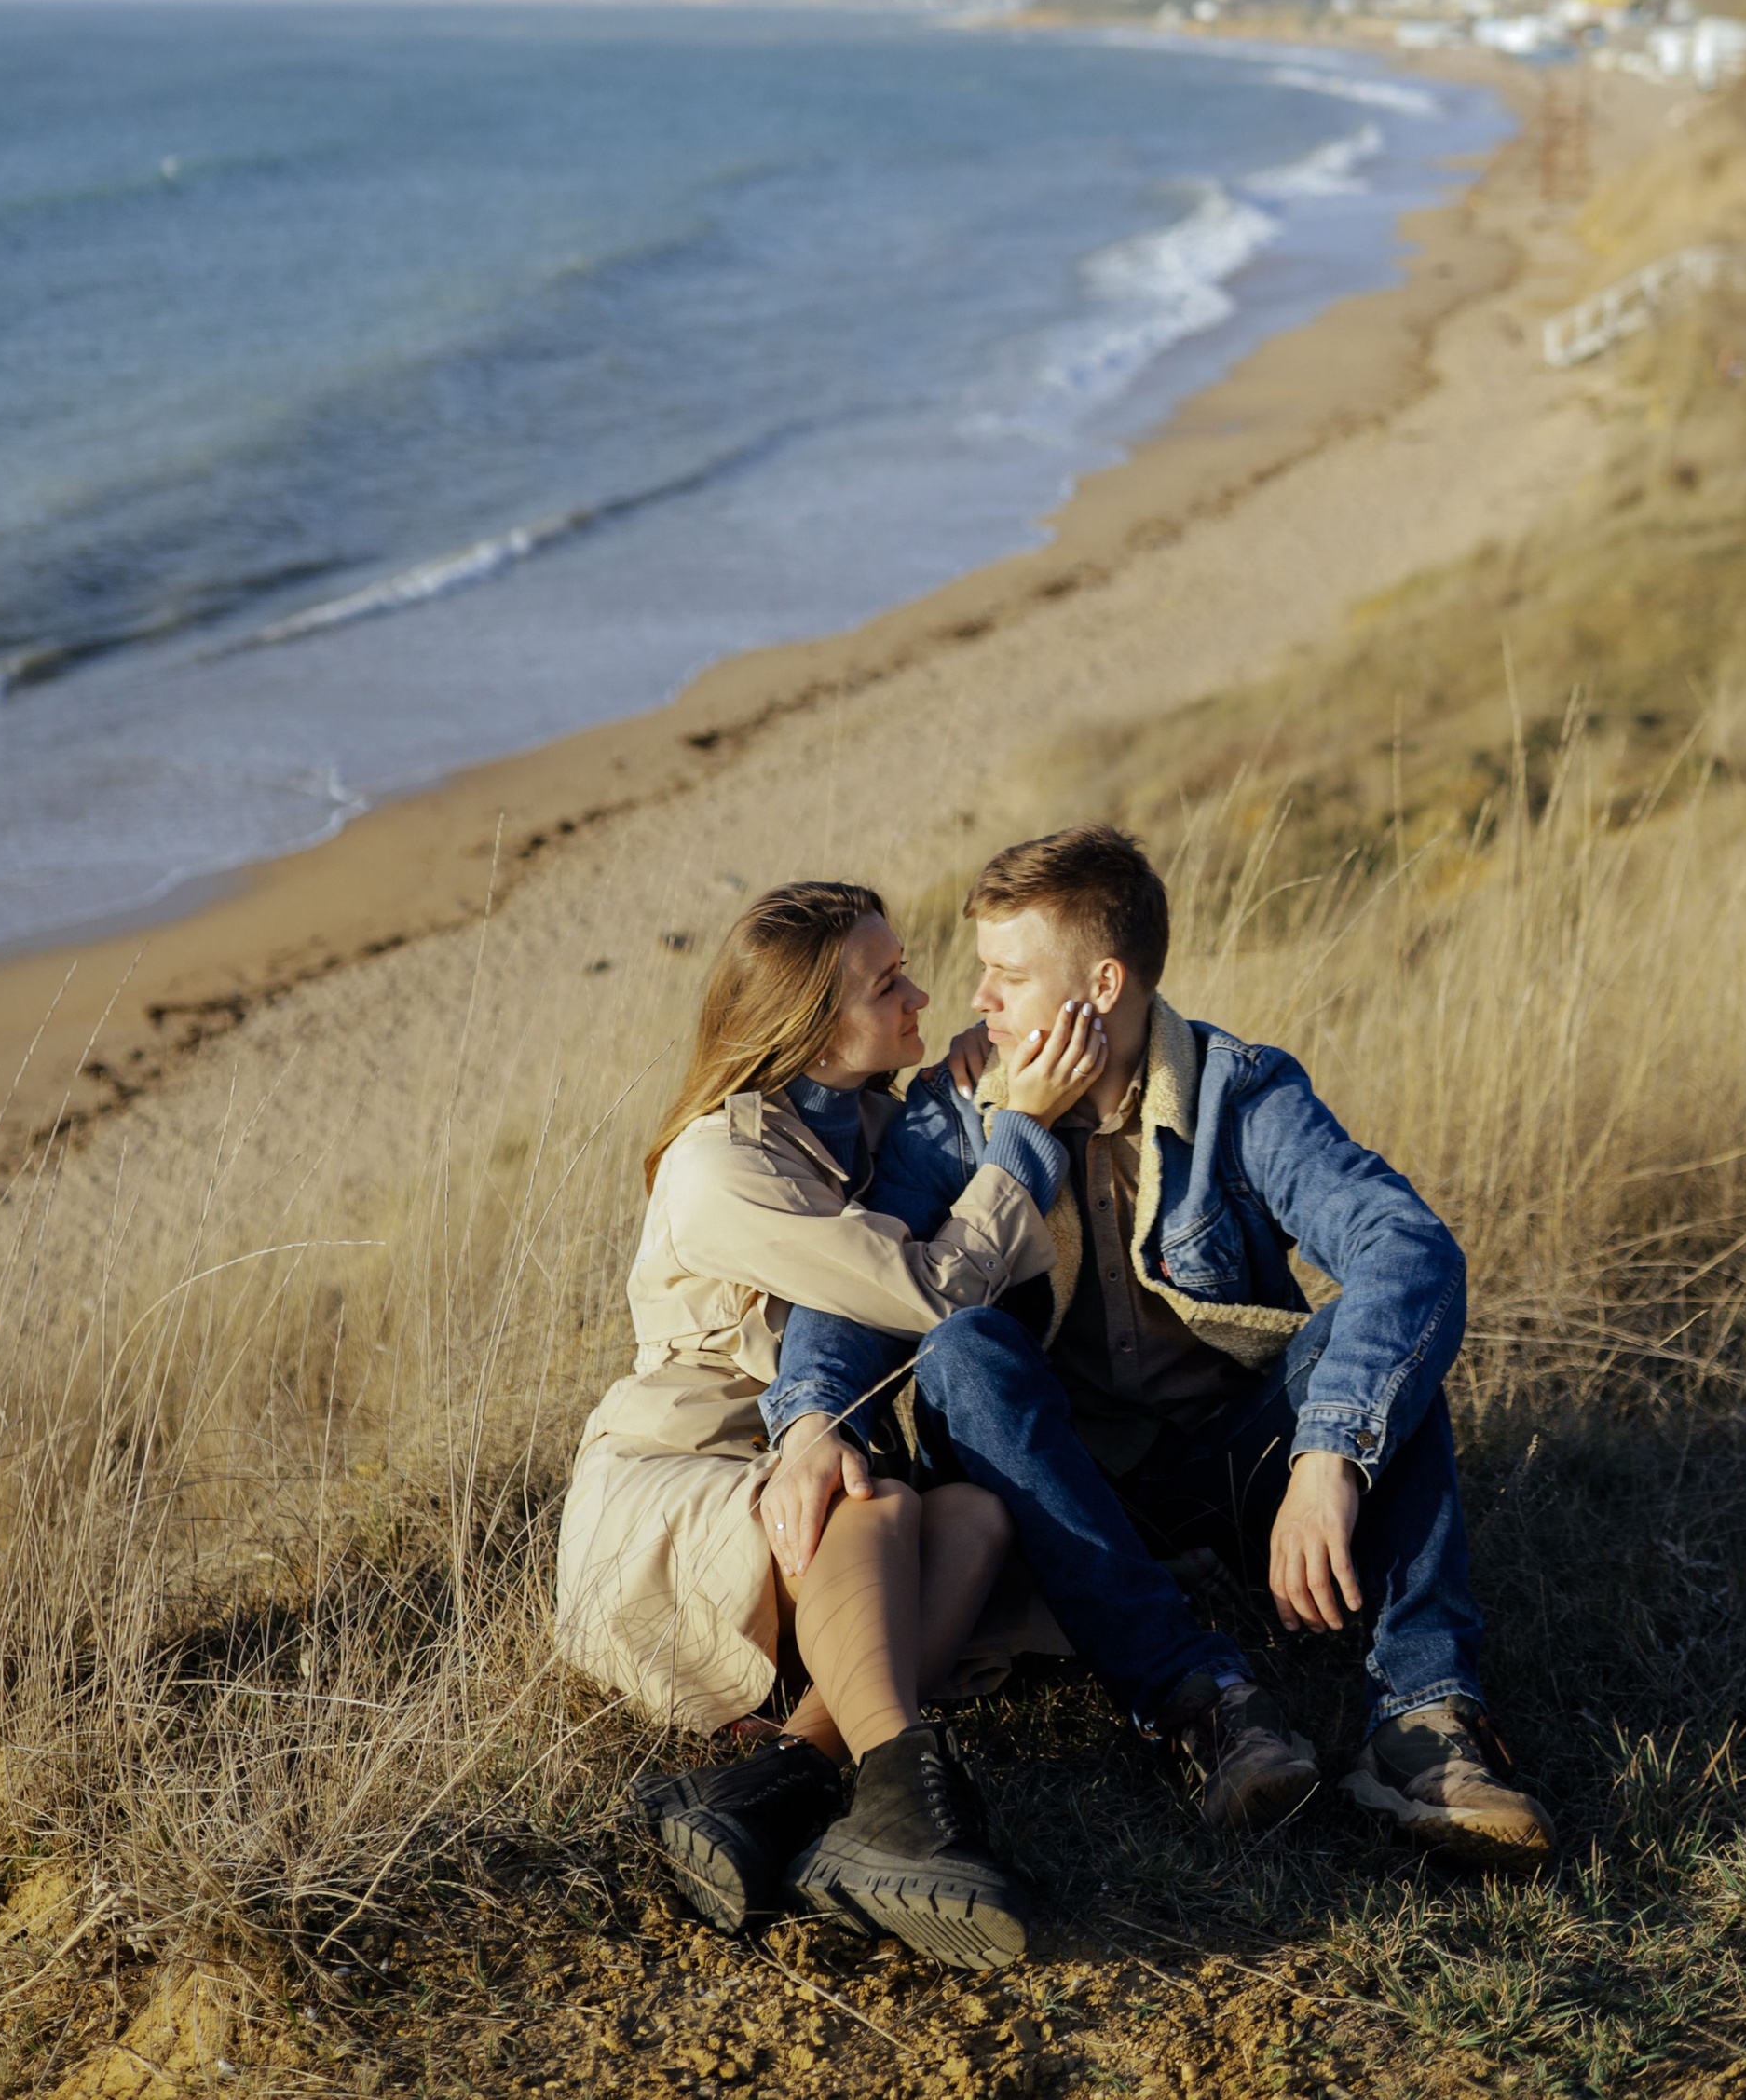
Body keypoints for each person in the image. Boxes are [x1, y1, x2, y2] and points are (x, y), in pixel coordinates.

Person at [758, 827, 1556, 1875]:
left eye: (1006, 974)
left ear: (1102, 981)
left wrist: (1327, 1457)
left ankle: (1422, 1724)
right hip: (1066, 1490)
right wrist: (814, 1413)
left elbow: (1405, 1246)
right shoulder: (956, 1108)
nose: (980, 1003)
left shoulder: (1240, 1091)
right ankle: (1211, 1705)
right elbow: (864, 1278)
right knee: (962, 1347)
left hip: (1233, 1459)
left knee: (1370, 1349)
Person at [554, 877, 1110, 1963]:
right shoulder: (723, 1165)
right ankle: (903, 1789)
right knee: (878, 1504)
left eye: (906, 969)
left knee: (975, 1526)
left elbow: (1009, 1283)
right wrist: (1022, 1136)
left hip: (800, 1480)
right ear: (811, 1033)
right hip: (672, 1481)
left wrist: (972, 1107)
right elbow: (929, 1292)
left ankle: (775, 1785)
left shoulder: (867, 1121)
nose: (920, 993)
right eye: (887, 981)